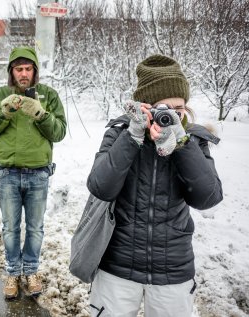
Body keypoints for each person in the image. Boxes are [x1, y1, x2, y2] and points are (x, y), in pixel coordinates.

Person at [87, 54, 223, 316]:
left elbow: (208, 197)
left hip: (172, 269)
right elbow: (100, 187)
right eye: (163, 107)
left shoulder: (193, 141)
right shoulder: (119, 133)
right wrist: (132, 137)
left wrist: (182, 144)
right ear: (145, 105)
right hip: (118, 264)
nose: (170, 115)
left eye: (178, 108)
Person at [0, 47, 67, 299]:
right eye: (19, 69)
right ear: (11, 72)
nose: (24, 74)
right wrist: (4, 112)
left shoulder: (48, 95)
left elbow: (59, 132)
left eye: (28, 69)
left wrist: (40, 114)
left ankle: (31, 271)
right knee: (10, 228)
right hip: (7, 173)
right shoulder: (1, 95)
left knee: (36, 228)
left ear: (35, 71)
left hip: (39, 174)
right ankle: (12, 273)